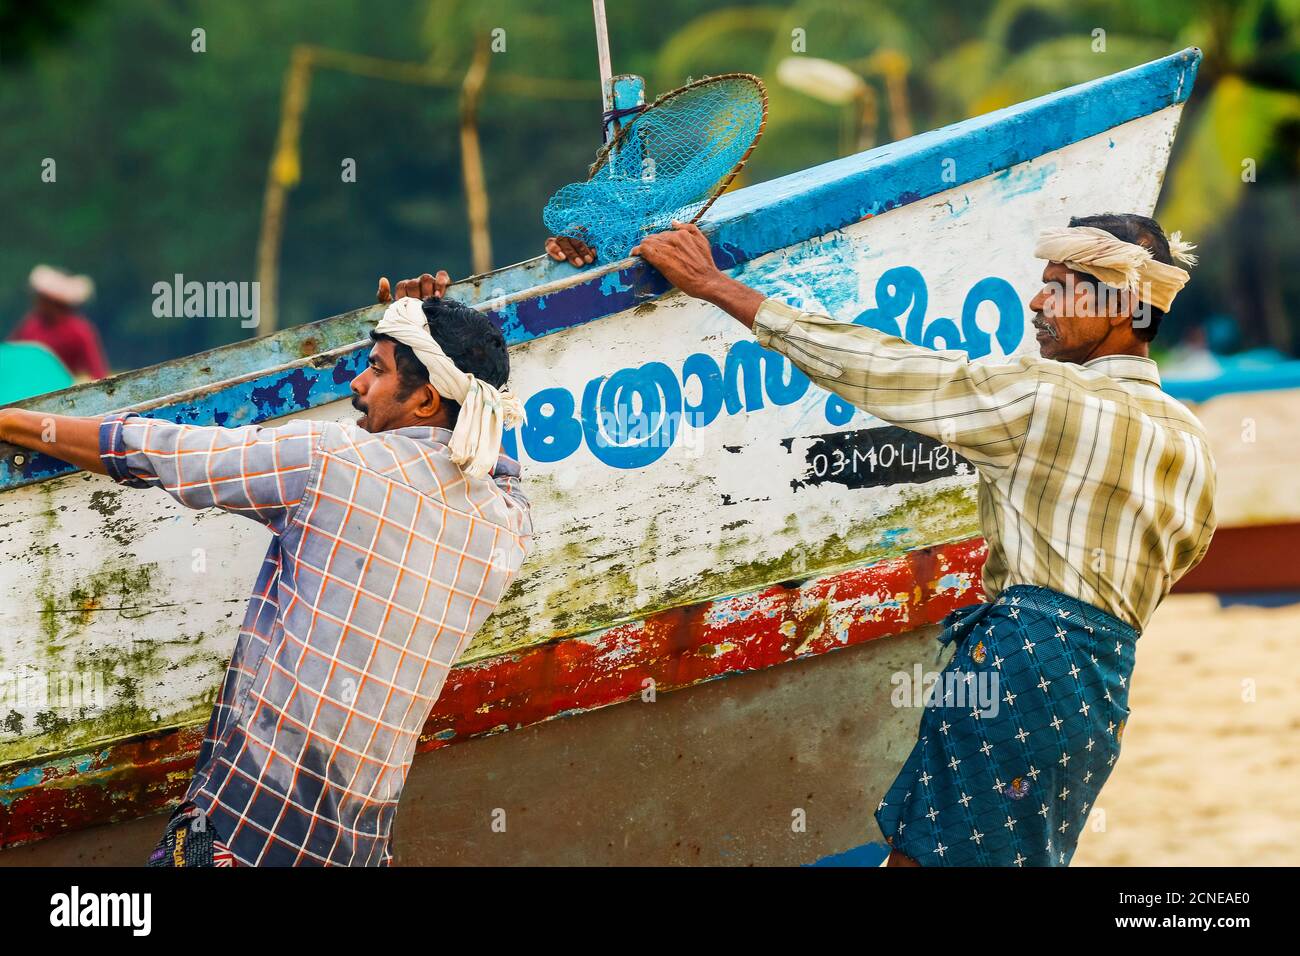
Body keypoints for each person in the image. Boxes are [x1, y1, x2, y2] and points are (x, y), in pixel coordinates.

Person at [611, 213, 1218, 867]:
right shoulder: (1193, 445)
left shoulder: (1045, 400)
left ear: (1123, 307)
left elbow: (878, 369)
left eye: (1061, 287)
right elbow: (1180, 556)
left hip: (1016, 666)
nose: (1038, 301)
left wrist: (714, 286)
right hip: (1097, 696)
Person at [0, 270, 532, 866]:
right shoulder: (508, 519)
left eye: (378, 370)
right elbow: (485, 456)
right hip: (357, 849)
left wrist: (15, 423)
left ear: (427, 400)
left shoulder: (336, 461)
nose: (357, 383)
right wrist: (438, 325)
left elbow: (158, 450)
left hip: (247, 827)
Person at [8, 265, 110, 380]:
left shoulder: (79, 330)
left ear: (54, 303)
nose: (37, 302)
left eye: (42, 299)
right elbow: (11, 355)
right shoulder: (31, 324)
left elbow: (97, 371)